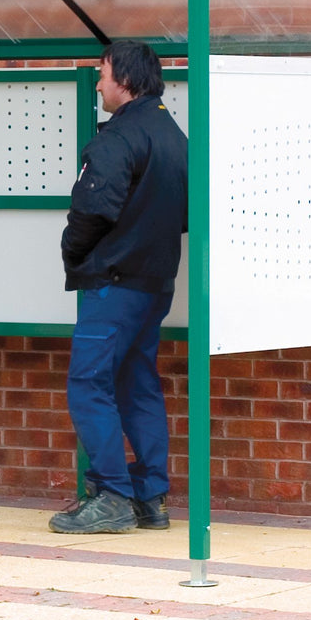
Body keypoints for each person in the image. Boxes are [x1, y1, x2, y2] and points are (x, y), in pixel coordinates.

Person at [50, 40, 188, 534]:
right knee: (137, 384)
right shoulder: (174, 136)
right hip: (155, 284)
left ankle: (111, 496)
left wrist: (74, 254)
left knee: (89, 385)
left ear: (124, 80)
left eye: (102, 73)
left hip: (112, 285)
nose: (98, 84)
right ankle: (151, 497)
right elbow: (186, 214)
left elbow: (90, 210)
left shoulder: (117, 138)